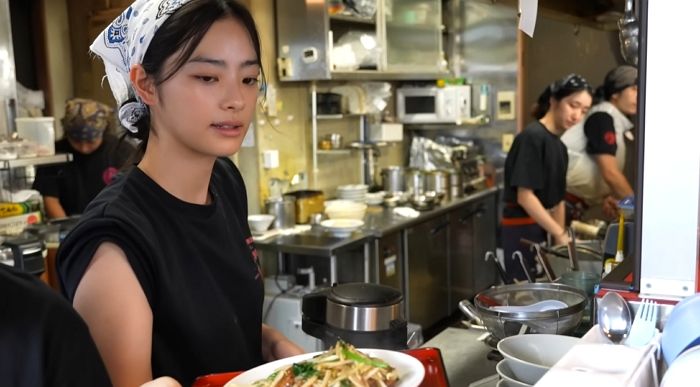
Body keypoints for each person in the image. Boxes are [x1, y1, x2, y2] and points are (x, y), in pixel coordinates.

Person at [56, 1, 304, 386]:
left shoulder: (224, 180)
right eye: (207, 77)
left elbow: (219, 327)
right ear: (146, 84)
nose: (236, 100)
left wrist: (271, 347)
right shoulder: (115, 243)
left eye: (249, 79)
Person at [501, 74, 593, 281]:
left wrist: (558, 244)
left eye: (584, 111)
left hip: (543, 230)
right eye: (573, 105)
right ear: (554, 100)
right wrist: (559, 233)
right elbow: (525, 197)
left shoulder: (559, 147)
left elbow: (558, 200)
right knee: (524, 298)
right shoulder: (531, 137)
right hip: (521, 232)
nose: (577, 115)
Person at [32, 98, 135, 219]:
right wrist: (69, 232)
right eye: (76, 141)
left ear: (102, 132)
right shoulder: (55, 155)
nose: (84, 148)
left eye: (90, 142)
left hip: (112, 223)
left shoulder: (121, 151)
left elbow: (132, 195)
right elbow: (50, 199)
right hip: (68, 224)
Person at [561, 65, 638, 221]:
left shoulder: (614, 121)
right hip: (555, 206)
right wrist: (637, 210)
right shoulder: (603, 117)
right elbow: (610, 173)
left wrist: (604, 197)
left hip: (573, 208)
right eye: (634, 89)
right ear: (616, 93)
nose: (640, 96)